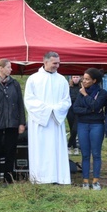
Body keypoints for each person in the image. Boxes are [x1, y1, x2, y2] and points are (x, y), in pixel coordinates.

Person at [24, 51, 72, 184]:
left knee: (56, 150)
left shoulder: (62, 80)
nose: (57, 66)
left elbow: (66, 101)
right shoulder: (33, 79)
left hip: (56, 121)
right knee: (41, 149)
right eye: (54, 63)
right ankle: (40, 178)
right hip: (40, 122)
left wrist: (55, 110)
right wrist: (46, 110)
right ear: (45, 62)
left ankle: (58, 178)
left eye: (58, 63)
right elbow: (29, 100)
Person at [0, 59, 26, 185]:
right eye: (9, 67)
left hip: (12, 123)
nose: (11, 69)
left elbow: (20, 104)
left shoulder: (15, 84)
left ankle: (8, 179)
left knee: (10, 152)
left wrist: (21, 122)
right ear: (1, 68)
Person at [73, 68, 107, 190]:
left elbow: (96, 105)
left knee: (96, 153)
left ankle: (96, 181)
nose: (84, 80)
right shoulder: (80, 92)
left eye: (87, 79)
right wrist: (90, 110)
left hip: (97, 125)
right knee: (85, 154)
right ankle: (85, 181)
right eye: (84, 78)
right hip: (82, 124)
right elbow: (76, 108)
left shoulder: (102, 93)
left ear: (94, 80)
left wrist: (86, 96)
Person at [67, 75, 82, 155]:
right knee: (71, 128)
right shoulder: (68, 88)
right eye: (74, 77)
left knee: (75, 129)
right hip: (70, 110)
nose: (75, 79)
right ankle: (75, 147)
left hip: (78, 110)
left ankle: (69, 145)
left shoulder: (82, 88)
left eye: (77, 77)